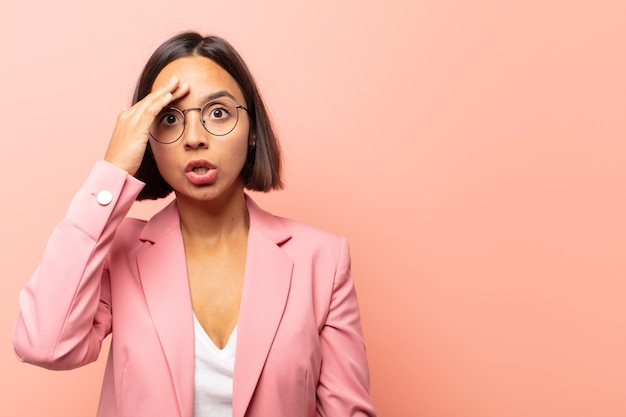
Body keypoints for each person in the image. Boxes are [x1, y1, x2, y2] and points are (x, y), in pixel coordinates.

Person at [11, 32, 376, 417]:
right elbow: (43, 344)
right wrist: (112, 172)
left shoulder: (321, 258)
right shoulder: (118, 250)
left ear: (252, 130)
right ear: (147, 137)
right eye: (169, 119)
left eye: (218, 112)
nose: (195, 138)